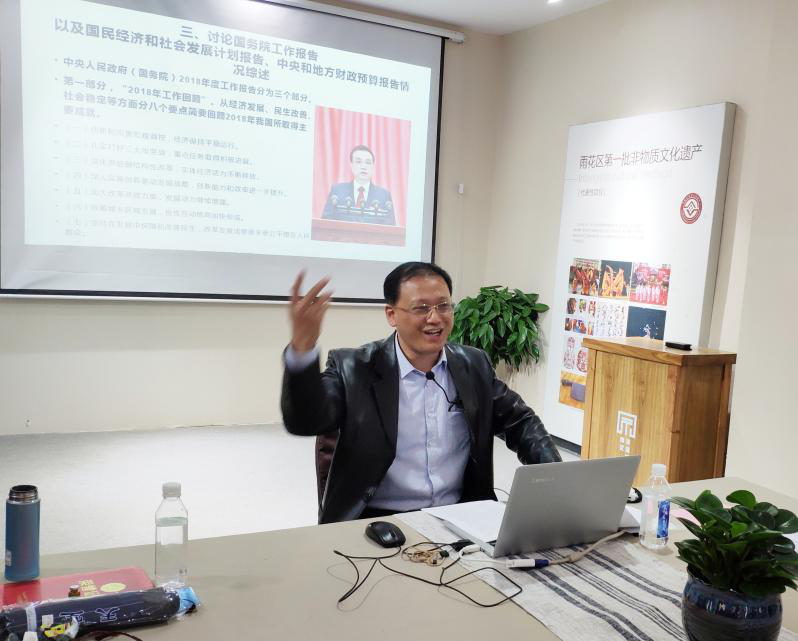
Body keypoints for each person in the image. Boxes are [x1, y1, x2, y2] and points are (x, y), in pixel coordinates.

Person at [281, 262, 562, 524]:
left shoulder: (472, 364)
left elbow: (519, 422)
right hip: (379, 519)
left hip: (459, 515)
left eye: (443, 306)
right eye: (421, 308)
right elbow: (305, 421)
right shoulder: (354, 368)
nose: (435, 318)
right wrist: (302, 351)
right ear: (391, 314)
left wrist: (557, 478)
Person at [321, 145, 396, 225]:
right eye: (359, 162)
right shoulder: (337, 192)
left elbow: (391, 227)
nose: (363, 167)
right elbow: (325, 223)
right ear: (351, 165)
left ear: (373, 167)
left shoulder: (384, 195)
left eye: (368, 163)